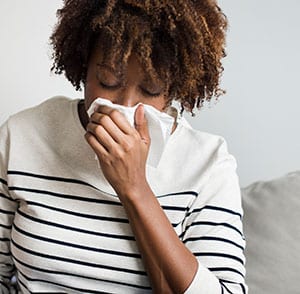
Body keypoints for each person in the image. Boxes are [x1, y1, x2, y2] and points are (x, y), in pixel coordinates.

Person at [0, 0, 247, 293]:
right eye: (107, 80)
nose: (124, 106)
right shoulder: (23, 135)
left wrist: (135, 188)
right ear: (84, 64)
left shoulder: (208, 164)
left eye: (151, 89)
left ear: (175, 87)